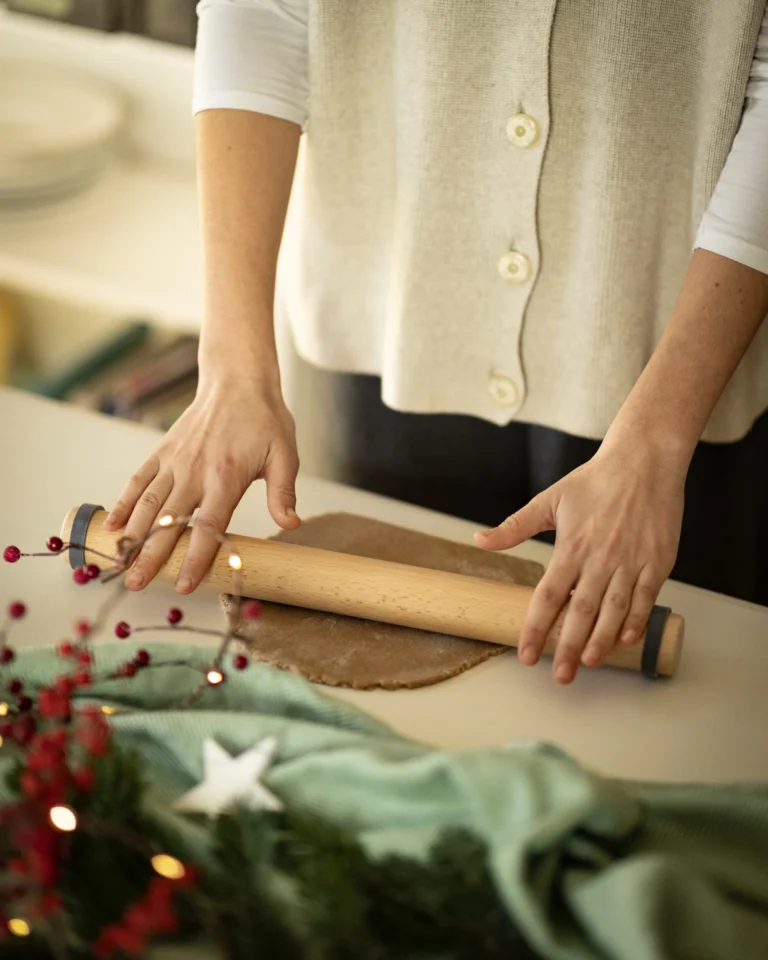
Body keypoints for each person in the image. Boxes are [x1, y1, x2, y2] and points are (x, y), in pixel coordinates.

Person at [106, 2, 768, 684]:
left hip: (678, 375)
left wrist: (658, 442)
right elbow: (262, 11)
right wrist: (232, 368)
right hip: (391, 337)